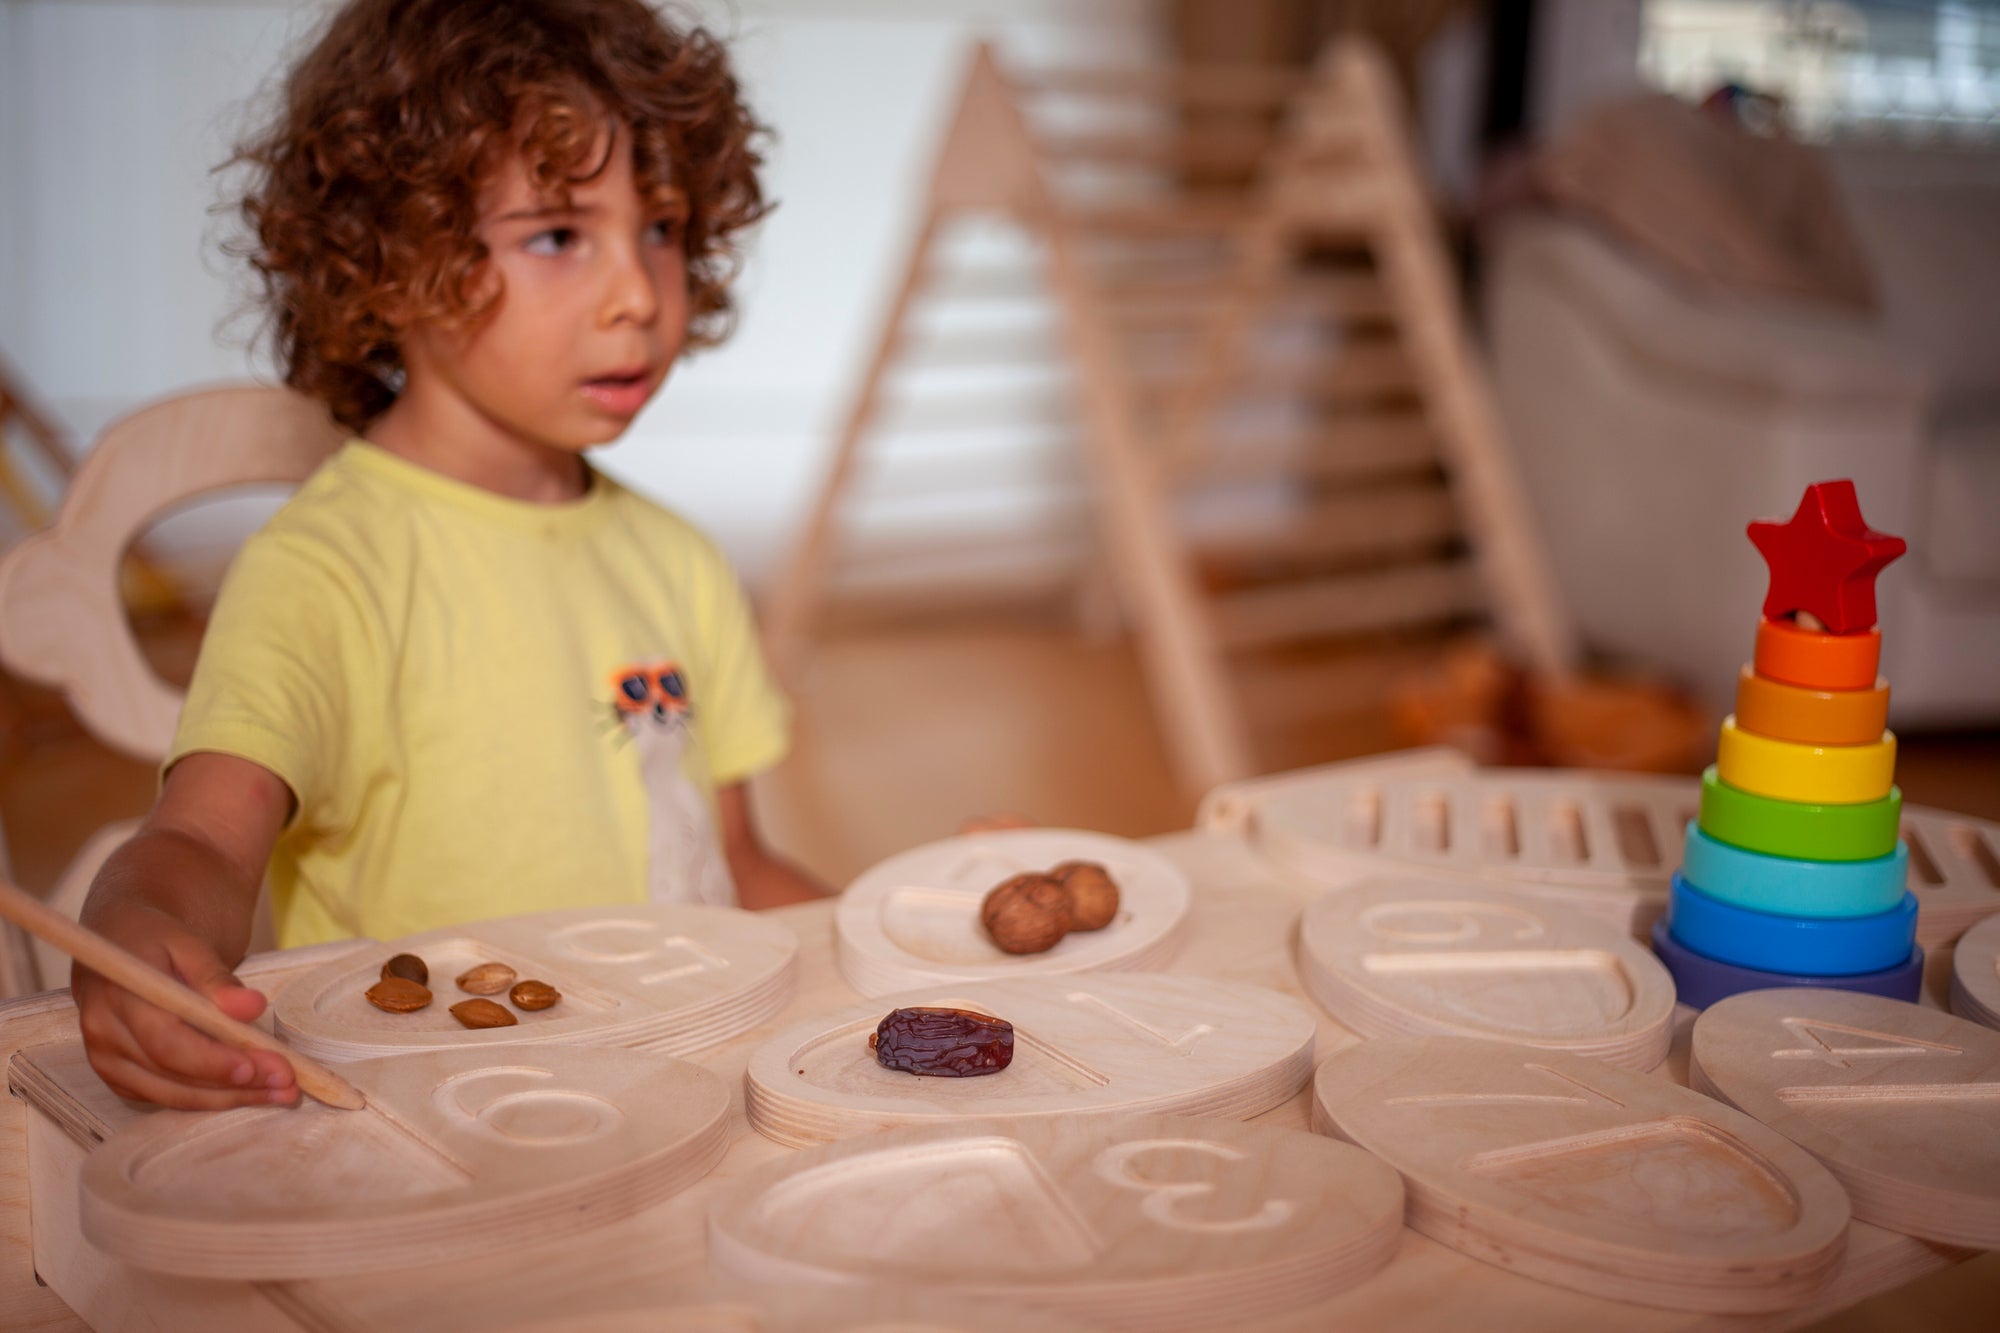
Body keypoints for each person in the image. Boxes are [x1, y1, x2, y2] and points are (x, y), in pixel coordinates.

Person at [74, 0, 825, 1112]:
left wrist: (910, 947)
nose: (636, 296)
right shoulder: (327, 570)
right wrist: (139, 928)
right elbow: (200, 842)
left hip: (681, 1100)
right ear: (391, 257)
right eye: (558, 234)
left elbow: (737, 871)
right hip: (435, 1132)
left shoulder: (678, 560)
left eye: (660, 228)